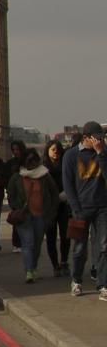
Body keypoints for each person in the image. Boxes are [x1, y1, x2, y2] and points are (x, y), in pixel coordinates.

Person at [62, 121, 107, 299]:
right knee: (80, 248)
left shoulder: (103, 153)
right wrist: (76, 208)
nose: (100, 141)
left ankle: (103, 284)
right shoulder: (71, 156)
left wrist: (101, 154)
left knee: (104, 247)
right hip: (81, 208)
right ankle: (77, 280)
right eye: (97, 138)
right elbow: (68, 184)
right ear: (86, 137)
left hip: (102, 207)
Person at [6, 149, 58, 284]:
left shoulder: (44, 175)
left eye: (34, 161)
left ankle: (33, 267)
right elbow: (11, 194)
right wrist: (17, 206)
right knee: (28, 243)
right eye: (29, 161)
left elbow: (54, 194)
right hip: (24, 217)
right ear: (24, 162)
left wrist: (51, 213)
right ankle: (29, 271)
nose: (32, 164)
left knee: (37, 244)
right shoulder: (17, 177)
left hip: (41, 215)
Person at [42, 139, 71, 276]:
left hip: (64, 205)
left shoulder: (65, 164)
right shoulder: (43, 168)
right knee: (51, 236)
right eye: (53, 150)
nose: (56, 153)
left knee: (66, 235)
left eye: (58, 150)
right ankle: (55, 265)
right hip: (49, 207)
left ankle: (64, 261)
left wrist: (66, 194)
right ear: (47, 151)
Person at [4, 140, 27, 253]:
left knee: (26, 220)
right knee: (17, 219)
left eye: (18, 149)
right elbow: (6, 178)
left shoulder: (27, 161)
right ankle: (16, 243)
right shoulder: (10, 163)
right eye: (14, 150)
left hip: (26, 195)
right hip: (15, 195)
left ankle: (24, 241)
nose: (16, 152)